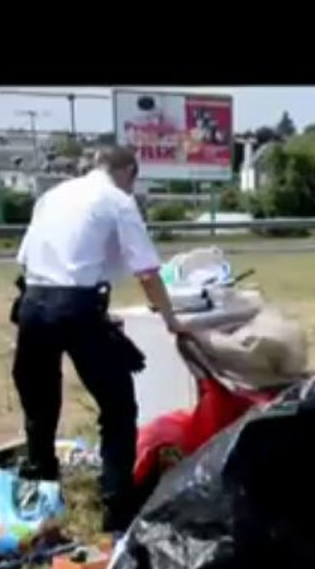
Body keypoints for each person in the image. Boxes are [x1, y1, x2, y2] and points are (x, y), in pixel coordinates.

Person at [11, 146, 186, 535]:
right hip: (76, 309)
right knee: (118, 407)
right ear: (128, 171)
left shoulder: (53, 195)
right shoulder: (117, 201)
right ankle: (117, 507)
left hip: (33, 304)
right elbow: (147, 272)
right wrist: (170, 318)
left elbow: (26, 257)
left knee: (39, 407)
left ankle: (40, 504)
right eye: (134, 179)